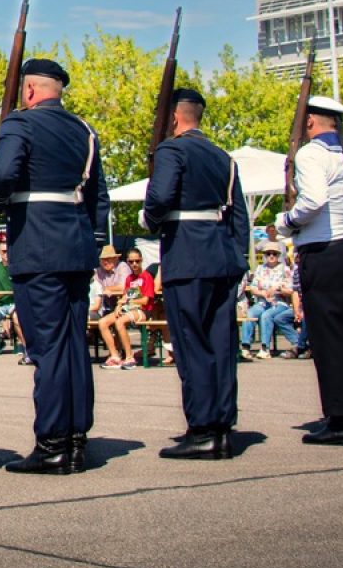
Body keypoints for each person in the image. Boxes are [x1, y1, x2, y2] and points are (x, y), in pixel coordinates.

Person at [0, 58, 109, 475]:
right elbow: (97, 198)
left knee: (48, 346)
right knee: (73, 344)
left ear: (30, 91)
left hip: (37, 245)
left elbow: (2, 175)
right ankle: (76, 438)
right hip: (76, 247)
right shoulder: (84, 131)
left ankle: (53, 441)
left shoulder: (21, 124)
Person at [140, 89, 250, 459]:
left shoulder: (173, 150)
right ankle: (221, 425)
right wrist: (238, 259)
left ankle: (202, 428)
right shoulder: (223, 157)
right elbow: (239, 215)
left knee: (193, 344)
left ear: (174, 117)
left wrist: (149, 218)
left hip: (187, 253)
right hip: (221, 255)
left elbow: (160, 198)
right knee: (220, 343)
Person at [275, 96, 343, 445]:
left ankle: (340, 418)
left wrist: (287, 223)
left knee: (328, 338)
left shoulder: (311, 154)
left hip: (325, 251)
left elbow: (314, 201)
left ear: (310, 122)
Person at [97, 248, 151, 369]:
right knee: (102, 322)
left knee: (119, 322)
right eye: (131, 262)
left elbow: (145, 300)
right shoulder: (130, 278)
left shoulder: (146, 277)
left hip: (142, 310)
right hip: (128, 308)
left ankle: (129, 356)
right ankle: (115, 356)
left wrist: (127, 302)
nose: (134, 264)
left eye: (137, 261)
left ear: (141, 261)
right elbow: (126, 294)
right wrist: (119, 305)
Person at [240, 242, 295, 359]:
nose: (271, 256)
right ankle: (245, 346)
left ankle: (265, 348)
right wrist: (263, 293)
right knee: (249, 313)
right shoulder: (260, 268)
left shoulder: (284, 269)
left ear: (278, 255)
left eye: (274, 254)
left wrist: (278, 289)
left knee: (266, 315)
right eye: (268, 253)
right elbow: (253, 288)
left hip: (279, 302)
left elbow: (291, 290)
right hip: (262, 301)